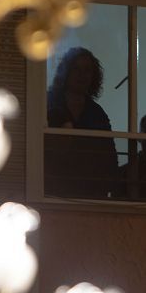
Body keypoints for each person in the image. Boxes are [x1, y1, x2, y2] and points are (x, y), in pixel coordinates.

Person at [45, 47, 118, 198]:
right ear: (66, 72)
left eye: (87, 70)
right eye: (76, 69)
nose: (81, 75)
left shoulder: (97, 113)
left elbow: (109, 157)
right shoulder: (47, 103)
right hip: (51, 190)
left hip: (89, 193)